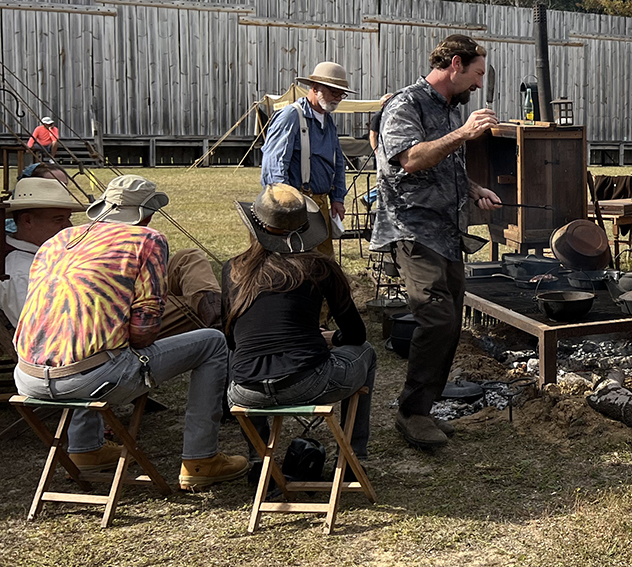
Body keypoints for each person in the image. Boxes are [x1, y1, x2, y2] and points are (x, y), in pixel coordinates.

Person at [11, 175, 247, 488]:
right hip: (90, 380)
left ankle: (85, 449)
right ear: (146, 215)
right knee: (213, 342)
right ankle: (201, 460)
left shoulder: (58, 241)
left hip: (27, 378)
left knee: (88, 342)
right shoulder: (147, 240)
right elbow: (143, 334)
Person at [372, 35, 503, 448]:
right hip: (412, 229)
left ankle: (423, 409)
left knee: (450, 322)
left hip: (447, 232)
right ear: (455, 65)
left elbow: (444, 166)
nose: (479, 84)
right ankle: (411, 413)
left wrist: (474, 189)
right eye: (476, 74)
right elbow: (410, 159)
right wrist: (463, 133)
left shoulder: (449, 109)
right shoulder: (405, 105)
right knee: (437, 319)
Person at [223, 184, 377, 464]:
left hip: (244, 390)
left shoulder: (233, 268)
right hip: (306, 381)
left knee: (239, 356)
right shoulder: (320, 266)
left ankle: (259, 462)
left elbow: (232, 338)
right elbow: (356, 334)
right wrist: (332, 338)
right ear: (305, 229)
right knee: (366, 352)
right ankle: (354, 458)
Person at [261, 61, 351, 256]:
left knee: (323, 263)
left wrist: (337, 198)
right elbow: (274, 165)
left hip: (321, 205)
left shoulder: (328, 121)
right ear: (315, 88)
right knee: (298, 261)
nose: (337, 98)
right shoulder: (291, 116)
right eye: (333, 92)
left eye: (341, 94)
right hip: (297, 206)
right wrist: (285, 206)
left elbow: (337, 162)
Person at [1, 178, 86, 329]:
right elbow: (39, 329)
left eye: (68, 219)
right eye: (58, 220)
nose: (68, 227)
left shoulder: (39, 256)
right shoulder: (21, 271)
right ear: (27, 221)